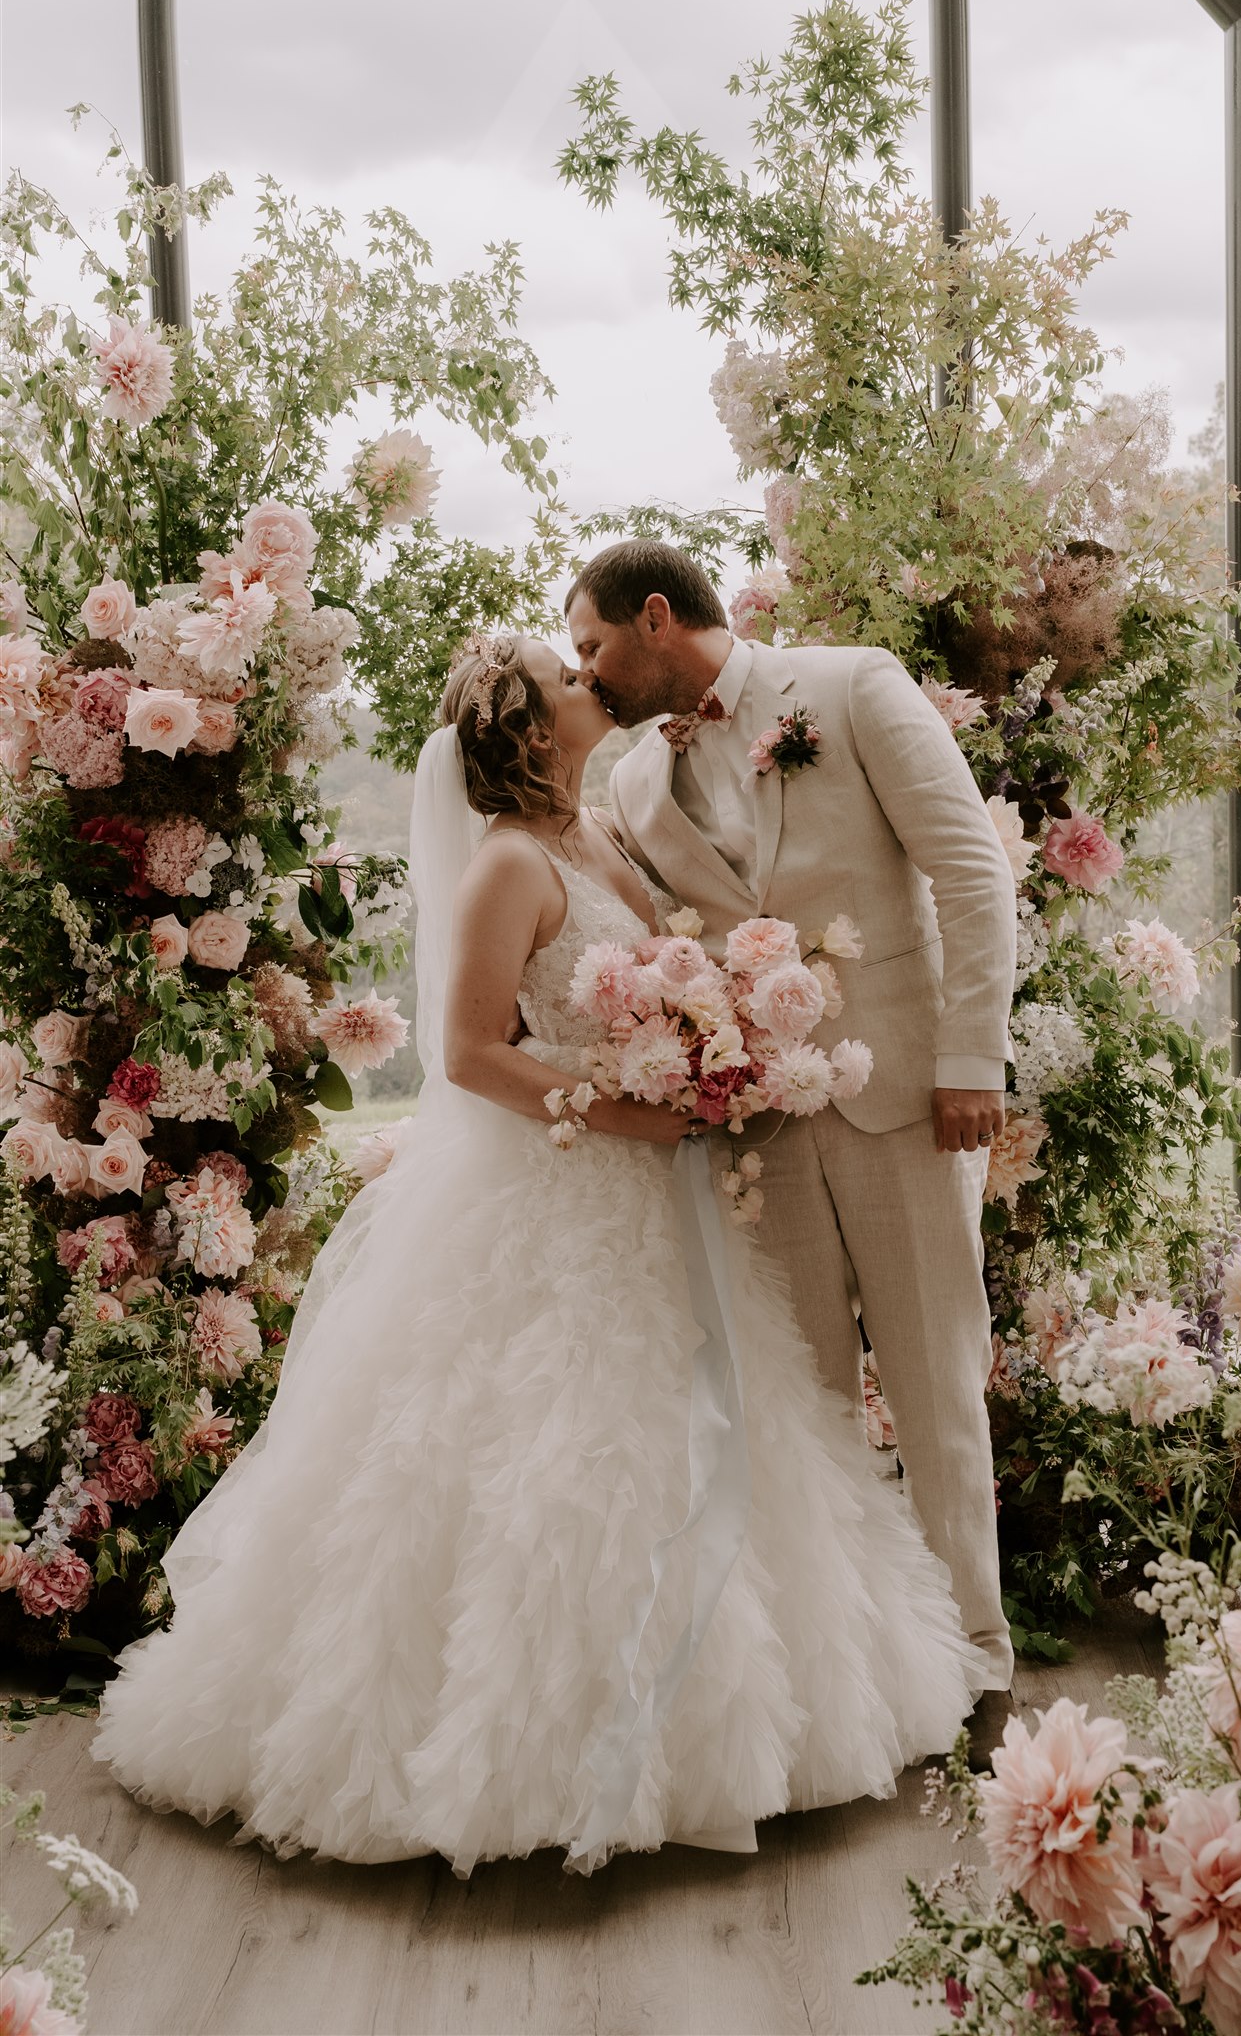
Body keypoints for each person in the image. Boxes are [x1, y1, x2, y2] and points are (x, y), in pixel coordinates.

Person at [89, 633, 986, 1875]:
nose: (591, 681)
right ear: (527, 728)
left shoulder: (600, 837)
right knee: (554, 1459)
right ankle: (542, 1754)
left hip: (660, 1185)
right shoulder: (508, 865)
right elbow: (466, 1054)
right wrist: (638, 1105)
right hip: (568, 1189)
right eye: (569, 679)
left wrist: (710, 1035)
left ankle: (740, 1719)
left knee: (710, 1436)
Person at [566, 542, 1018, 1768]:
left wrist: (974, 1055)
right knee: (808, 1412)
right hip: (753, 1126)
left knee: (935, 1384)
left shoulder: (854, 685)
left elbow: (971, 869)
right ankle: (869, 1677)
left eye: (596, 646)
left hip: (912, 1099)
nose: (588, 674)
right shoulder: (630, 783)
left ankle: (975, 1666)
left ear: (657, 616)